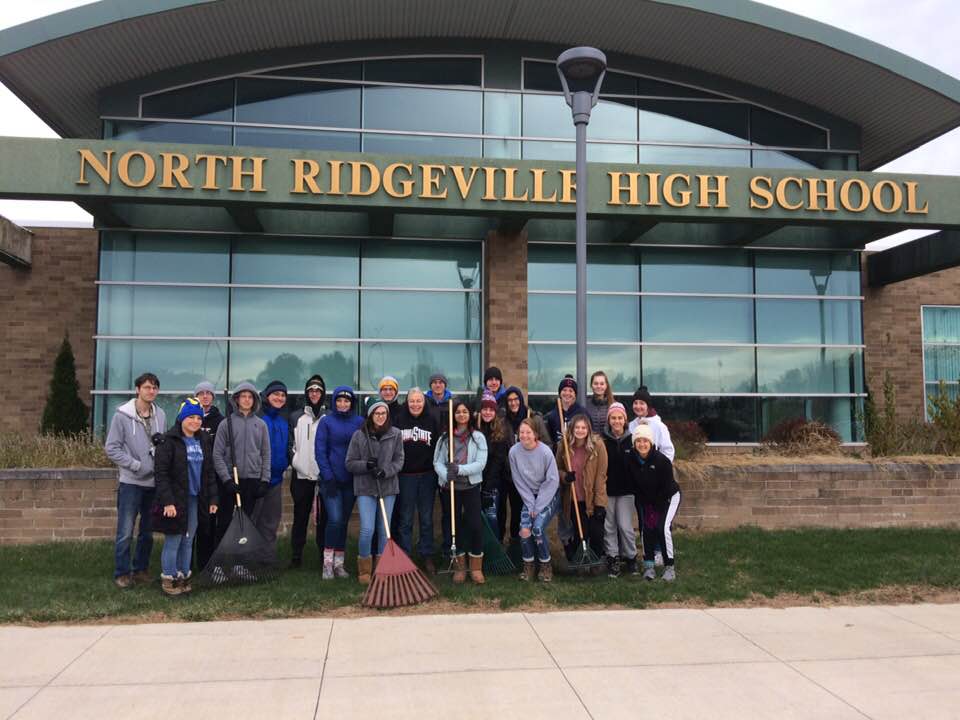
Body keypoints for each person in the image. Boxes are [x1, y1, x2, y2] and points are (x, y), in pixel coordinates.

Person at [105, 372, 167, 588]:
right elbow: (111, 448)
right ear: (138, 389)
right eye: (148, 387)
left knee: (147, 533)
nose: (151, 391)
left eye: (155, 388)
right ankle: (122, 573)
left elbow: (162, 446)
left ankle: (141, 570)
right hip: (131, 483)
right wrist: (135, 465)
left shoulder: (161, 415)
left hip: (153, 484)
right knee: (125, 531)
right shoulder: (122, 416)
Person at [154, 397, 219, 596]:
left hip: (195, 499)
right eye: (190, 417)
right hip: (176, 500)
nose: (195, 422)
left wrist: (213, 499)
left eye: (198, 418)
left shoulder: (204, 440)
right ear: (181, 418)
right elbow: (161, 474)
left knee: (188, 539)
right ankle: (169, 578)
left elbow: (209, 471)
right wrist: (168, 502)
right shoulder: (169, 441)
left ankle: (183, 577)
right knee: (174, 539)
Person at [345, 400, 404, 585]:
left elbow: (399, 460)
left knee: (383, 529)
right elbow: (349, 463)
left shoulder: (395, 434)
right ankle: (364, 568)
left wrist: (385, 471)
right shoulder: (359, 436)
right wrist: (366, 465)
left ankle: (381, 567)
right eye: (377, 413)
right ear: (370, 416)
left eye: (383, 413)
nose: (380, 417)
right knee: (367, 529)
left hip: (387, 488)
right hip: (365, 488)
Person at [433, 398, 488, 584]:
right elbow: (437, 462)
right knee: (452, 525)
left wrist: (459, 470)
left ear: (470, 414)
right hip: (450, 488)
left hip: (470, 486)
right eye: (458, 412)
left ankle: (476, 567)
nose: (461, 415)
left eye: (464, 411)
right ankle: (459, 566)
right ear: (453, 415)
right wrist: (446, 474)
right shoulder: (444, 438)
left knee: (474, 525)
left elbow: (480, 463)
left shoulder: (477, 437)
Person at [314, 385, 363, 580]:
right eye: (339, 400)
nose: (343, 404)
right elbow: (320, 451)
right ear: (334, 402)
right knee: (334, 520)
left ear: (352, 403)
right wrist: (328, 477)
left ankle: (339, 564)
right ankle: (327, 563)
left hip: (351, 480)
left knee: (343, 522)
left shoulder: (359, 422)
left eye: (347, 401)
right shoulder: (327, 422)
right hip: (331, 481)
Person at [508, 418, 561, 582]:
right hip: (529, 496)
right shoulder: (514, 452)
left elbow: (552, 481)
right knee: (524, 530)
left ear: (536, 434)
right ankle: (529, 565)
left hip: (548, 495)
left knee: (537, 528)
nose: (524, 436)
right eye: (521, 432)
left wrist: (537, 507)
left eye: (528, 432)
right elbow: (518, 481)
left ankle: (546, 565)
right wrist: (530, 503)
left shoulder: (545, 452)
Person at [627, 424, 681, 582]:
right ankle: (649, 566)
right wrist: (647, 508)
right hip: (646, 499)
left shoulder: (661, 460)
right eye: (638, 441)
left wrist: (655, 510)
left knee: (661, 528)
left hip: (668, 497)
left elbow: (666, 488)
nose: (642, 444)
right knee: (646, 529)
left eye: (645, 441)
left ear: (651, 442)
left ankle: (669, 567)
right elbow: (634, 485)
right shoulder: (631, 459)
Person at [394, 387, 439, 573]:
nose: (415, 404)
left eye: (418, 400)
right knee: (405, 519)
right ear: (407, 402)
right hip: (405, 476)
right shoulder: (398, 419)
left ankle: (426, 554)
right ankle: (405, 556)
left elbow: (439, 446)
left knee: (426, 518)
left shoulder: (432, 420)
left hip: (427, 475)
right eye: (412, 401)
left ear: (424, 401)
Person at [212, 382, 270, 521]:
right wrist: (226, 480)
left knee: (246, 521)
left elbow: (266, 454)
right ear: (236, 399)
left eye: (250, 396)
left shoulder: (261, 425)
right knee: (225, 522)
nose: (246, 399)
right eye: (243, 396)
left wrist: (264, 480)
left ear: (254, 400)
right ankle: (223, 543)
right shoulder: (226, 424)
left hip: (252, 481)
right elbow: (217, 455)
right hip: (231, 481)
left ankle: (243, 544)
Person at [555, 413, 607, 566]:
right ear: (572, 429)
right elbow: (556, 469)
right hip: (574, 499)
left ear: (588, 429)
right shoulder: (563, 445)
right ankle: (580, 562)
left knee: (597, 533)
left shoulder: (597, 446)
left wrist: (600, 503)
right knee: (580, 533)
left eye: (583, 427)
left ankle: (596, 561)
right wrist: (565, 476)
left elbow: (601, 475)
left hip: (592, 497)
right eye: (577, 427)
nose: (580, 430)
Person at [501, 386, 550, 542]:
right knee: (514, 512)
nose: (513, 403)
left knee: (530, 514)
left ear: (521, 400)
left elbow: (547, 444)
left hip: (530, 477)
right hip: (510, 476)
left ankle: (532, 547)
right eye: (509, 400)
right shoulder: (504, 421)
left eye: (516, 399)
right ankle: (516, 544)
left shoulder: (534, 419)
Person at [289, 374, 327, 571]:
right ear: (306, 393)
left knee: (323, 519)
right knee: (300, 517)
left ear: (323, 393)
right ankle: (296, 556)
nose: (314, 393)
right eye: (311, 390)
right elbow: (290, 446)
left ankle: (323, 556)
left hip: (323, 478)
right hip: (301, 477)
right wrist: (297, 462)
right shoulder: (296, 417)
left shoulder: (329, 417)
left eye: (318, 390)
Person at [192, 380, 229, 572]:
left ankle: (206, 563)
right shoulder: (187, 417)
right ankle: (186, 563)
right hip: (191, 476)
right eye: (201, 393)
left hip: (212, 479)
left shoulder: (220, 420)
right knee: (191, 523)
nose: (205, 396)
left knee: (209, 523)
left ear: (213, 397)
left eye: (208, 393)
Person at [600, 402, 638, 577]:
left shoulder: (632, 440)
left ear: (625, 420)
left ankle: (631, 557)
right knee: (609, 527)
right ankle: (613, 558)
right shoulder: (602, 440)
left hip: (626, 491)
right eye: (613, 418)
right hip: (607, 490)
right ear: (609, 420)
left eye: (619, 418)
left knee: (625, 526)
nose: (616, 421)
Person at [257, 379, 291, 546]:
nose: (279, 398)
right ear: (267, 396)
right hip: (257, 479)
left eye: (283, 395)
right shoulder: (259, 417)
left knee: (271, 523)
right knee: (253, 521)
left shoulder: (284, 419)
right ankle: (247, 561)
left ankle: (266, 561)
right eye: (276, 394)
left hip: (276, 480)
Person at [477, 391, 510, 534]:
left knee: (491, 518)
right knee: (477, 519)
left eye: (491, 410)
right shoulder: (475, 430)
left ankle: (495, 548)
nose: (487, 412)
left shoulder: (499, 432)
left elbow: (498, 461)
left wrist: (487, 486)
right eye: (485, 409)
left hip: (492, 484)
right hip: (475, 483)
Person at [628, 386, 675, 462]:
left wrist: (660, 467)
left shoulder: (659, 426)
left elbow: (668, 451)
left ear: (648, 406)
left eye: (641, 403)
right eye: (635, 403)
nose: (638, 406)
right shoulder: (631, 425)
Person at [544, 375, 586, 447]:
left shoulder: (583, 413)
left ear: (575, 394)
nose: (567, 393)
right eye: (564, 390)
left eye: (571, 391)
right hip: (558, 455)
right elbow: (550, 440)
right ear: (560, 393)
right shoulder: (552, 415)